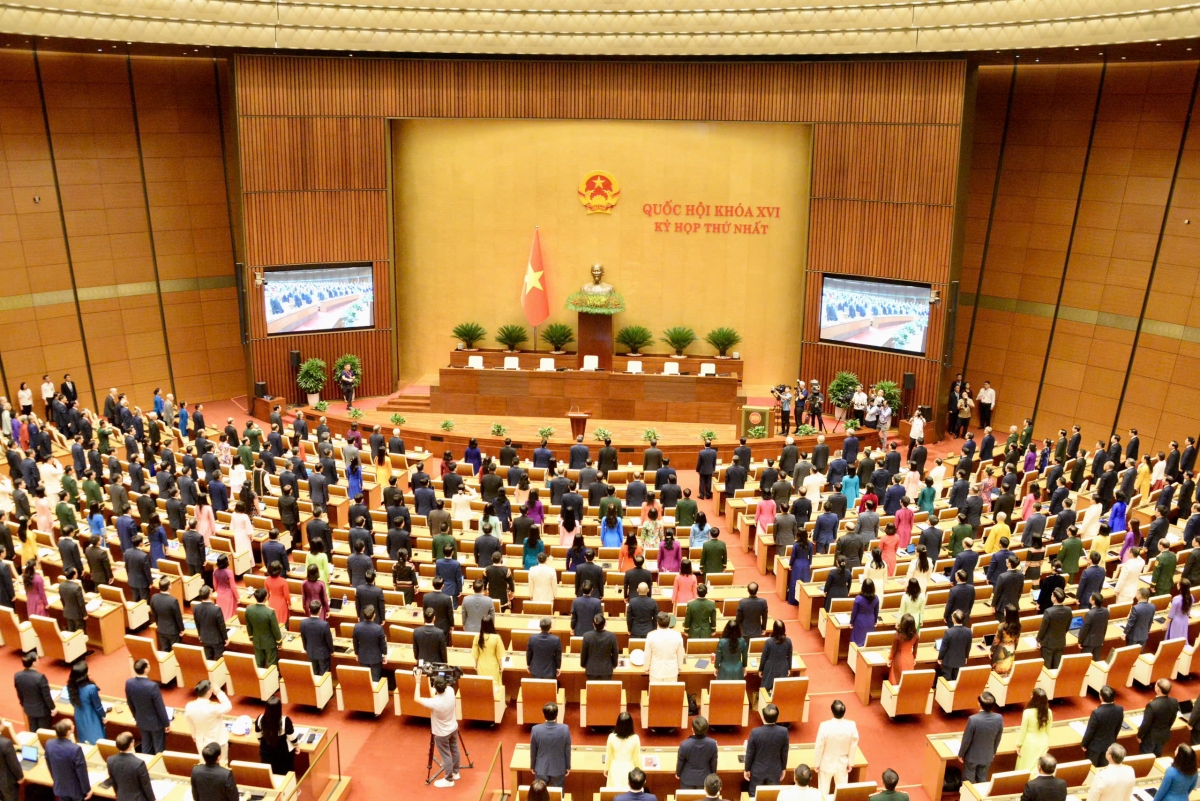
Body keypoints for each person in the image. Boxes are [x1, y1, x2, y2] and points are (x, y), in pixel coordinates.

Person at [125, 659, 170, 754]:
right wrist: (166, 723)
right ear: (145, 669)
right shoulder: (152, 686)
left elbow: (130, 703)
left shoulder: (129, 683)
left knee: (146, 747)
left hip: (141, 720)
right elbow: (160, 707)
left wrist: (136, 717)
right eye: (148, 664)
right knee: (159, 749)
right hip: (156, 723)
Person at [813, 699, 858, 794]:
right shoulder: (851, 726)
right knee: (842, 792)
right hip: (842, 764)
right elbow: (853, 746)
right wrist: (850, 763)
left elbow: (819, 746)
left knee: (823, 792)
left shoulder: (824, 726)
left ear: (831, 711)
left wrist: (817, 763)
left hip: (826, 763)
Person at [746, 702, 790, 794]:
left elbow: (750, 753)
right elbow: (784, 752)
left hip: (758, 771)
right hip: (775, 770)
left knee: (754, 796)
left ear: (763, 717)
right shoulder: (784, 732)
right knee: (772, 796)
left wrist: (747, 769)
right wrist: (783, 768)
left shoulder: (755, 732)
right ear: (777, 717)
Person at [959, 691, 1004, 782]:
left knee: (968, 781)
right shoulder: (999, 718)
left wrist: (961, 754)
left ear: (979, 704)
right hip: (987, 756)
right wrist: (993, 752)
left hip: (972, 757)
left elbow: (966, 740)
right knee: (982, 779)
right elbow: (998, 737)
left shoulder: (973, 719)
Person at [185, 680, 233, 764]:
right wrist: (219, 692)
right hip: (218, 742)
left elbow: (190, 722)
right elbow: (228, 706)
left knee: (204, 764)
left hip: (201, 742)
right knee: (222, 765)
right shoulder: (212, 707)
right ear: (208, 692)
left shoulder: (189, 706)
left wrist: (194, 735)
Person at [46, 720, 90, 801]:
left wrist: (55, 779)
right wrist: (87, 789)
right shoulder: (75, 749)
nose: (74, 725)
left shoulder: (49, 744)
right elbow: (81, 771)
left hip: (60, 786)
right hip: (75, 790)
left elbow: (49, 765)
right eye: (72, 725)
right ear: (69, 732)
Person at [1082, 685, 1125, 767]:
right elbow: (1118, 727)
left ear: (1101, 697)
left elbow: (1090, 731)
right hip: (1109, 745)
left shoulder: (1097, 713)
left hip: (1094, 748)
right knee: (1104, 768)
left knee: (1092, 769)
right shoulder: (1120, 710)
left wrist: (1084, 744)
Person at [529, 702, 571, 787]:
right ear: (557, 714)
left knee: (541, 792)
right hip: (559, 767)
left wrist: (532, 766)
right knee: (558, 792)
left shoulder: (536, 729)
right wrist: (568, 767)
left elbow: (533, 750)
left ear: (544, 714)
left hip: (541, 767)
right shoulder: (565, 729)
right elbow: (567, 749)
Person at [254, 696, 297, 776]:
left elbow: (259, 737)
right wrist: (297, 745)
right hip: (283, 754)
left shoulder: (260, 719)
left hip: (266, 752)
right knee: (286, 772)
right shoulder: (285, 720)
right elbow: (293, 739)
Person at [107, 731, 154, 801]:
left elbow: (113, 782)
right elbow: (146, 786)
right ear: (131, 743)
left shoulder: (110, 760)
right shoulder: (139, 763)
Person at [15, 651, 56, 732]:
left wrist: (23, 704)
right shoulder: (40, 677)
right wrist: (53, 708)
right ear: (34, 663)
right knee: (43, 732)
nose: (38, 660)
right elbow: (46, 696)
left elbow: (19, 693)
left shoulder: (17, 676)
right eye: (37, 659)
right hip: (42, 711)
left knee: (33, 729)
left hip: (29, 709)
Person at [66, 661, 105, 744]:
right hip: (91, 717)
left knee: (84, 740)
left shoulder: (71, 686)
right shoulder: (91, 688)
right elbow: (98, 706)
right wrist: (103, 716)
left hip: (79, 715)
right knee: (97, 741)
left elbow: (72, 701)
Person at [1139, 678, 1181, 756]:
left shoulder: (1152, 705)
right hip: (1163, 734)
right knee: (1157, 755)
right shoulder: (1174, 701)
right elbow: (1172, 719)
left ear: (1158, 689)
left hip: (1150, 737)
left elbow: (1146, 723)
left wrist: (1139, 735)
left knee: (1146, 757)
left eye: (1156, 684)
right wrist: (1166, 729)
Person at [676, 717, 718, 789]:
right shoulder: (713, 744)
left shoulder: (684, 745)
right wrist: (713, 776)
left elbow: (680, 762)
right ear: (706, 729)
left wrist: (678, 774)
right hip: (705, 780)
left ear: (692, 729)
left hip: (687, 780)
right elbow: (713, 763)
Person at [1015, 688, 1052, 771]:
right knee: (1038, 767)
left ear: (1034, 698)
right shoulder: (1049, 712)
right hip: (1043, 741)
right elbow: (1048, 731)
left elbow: (1023, 731)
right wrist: (1047, 743)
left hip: (1029, 742)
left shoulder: (1027, 712)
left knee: (1025, 766)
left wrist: (1018, 744)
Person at [246, 587, 282, 668]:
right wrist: (279, 641)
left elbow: (249, 626)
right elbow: (275, 629)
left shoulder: (249, 610)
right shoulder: (270, 612)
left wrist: (251, 638)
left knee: (259, 664)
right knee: (272, 665)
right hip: (270, 642)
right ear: (266, 597)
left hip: (257, 640)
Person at [605, 712, 642, 790]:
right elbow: (637, 758)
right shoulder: (635, 738)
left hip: (614, 768)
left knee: (614, 793)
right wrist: (641, 772)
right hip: (630, 768)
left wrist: (606, 769)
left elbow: (608, 756)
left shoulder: (611, 737)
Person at [646, 611, 685, 682]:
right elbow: (680, 653)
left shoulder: (651, 635)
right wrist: (680, 667)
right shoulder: (677, 635)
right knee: (670, 690)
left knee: (655, 689)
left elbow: (647, 654)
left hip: (656, 671)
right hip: (672, 670)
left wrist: (646, 668)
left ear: (657, 623)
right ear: (669, 623)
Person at [581, 614, 619, 680]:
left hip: (591, 670)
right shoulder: (612, 636)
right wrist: (614, 665)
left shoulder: (586, 636)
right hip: (607, 670)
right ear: (605, 624)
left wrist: (583, 664)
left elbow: (584, 653)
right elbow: (615, 652)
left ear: (593, 624)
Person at [760, 620, 793, 693]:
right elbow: (790, 656)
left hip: (770, 667)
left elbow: (764, 657)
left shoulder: (769, 642)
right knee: (780, 690)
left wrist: (760, 669)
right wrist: (789, 668)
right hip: (783, 667)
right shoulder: (788, 641)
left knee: (765, 689)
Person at [889, 613, 918, 684]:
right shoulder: (916, 635)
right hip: (910, 659)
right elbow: (915, 649)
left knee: (896, 681)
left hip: (899, 658)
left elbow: (893, 649)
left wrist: (889, 658)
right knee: (907, 682)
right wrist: (914, 658)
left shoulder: (898, 635)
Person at [849, 578, 879, 646]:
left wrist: (851, 622)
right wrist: (875, 621)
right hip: (871, 620)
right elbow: (876, 611)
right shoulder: (876, 598)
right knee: (867, 642)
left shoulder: (858, 598)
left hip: (860, 621)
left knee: (857, 642)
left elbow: (854, 612)